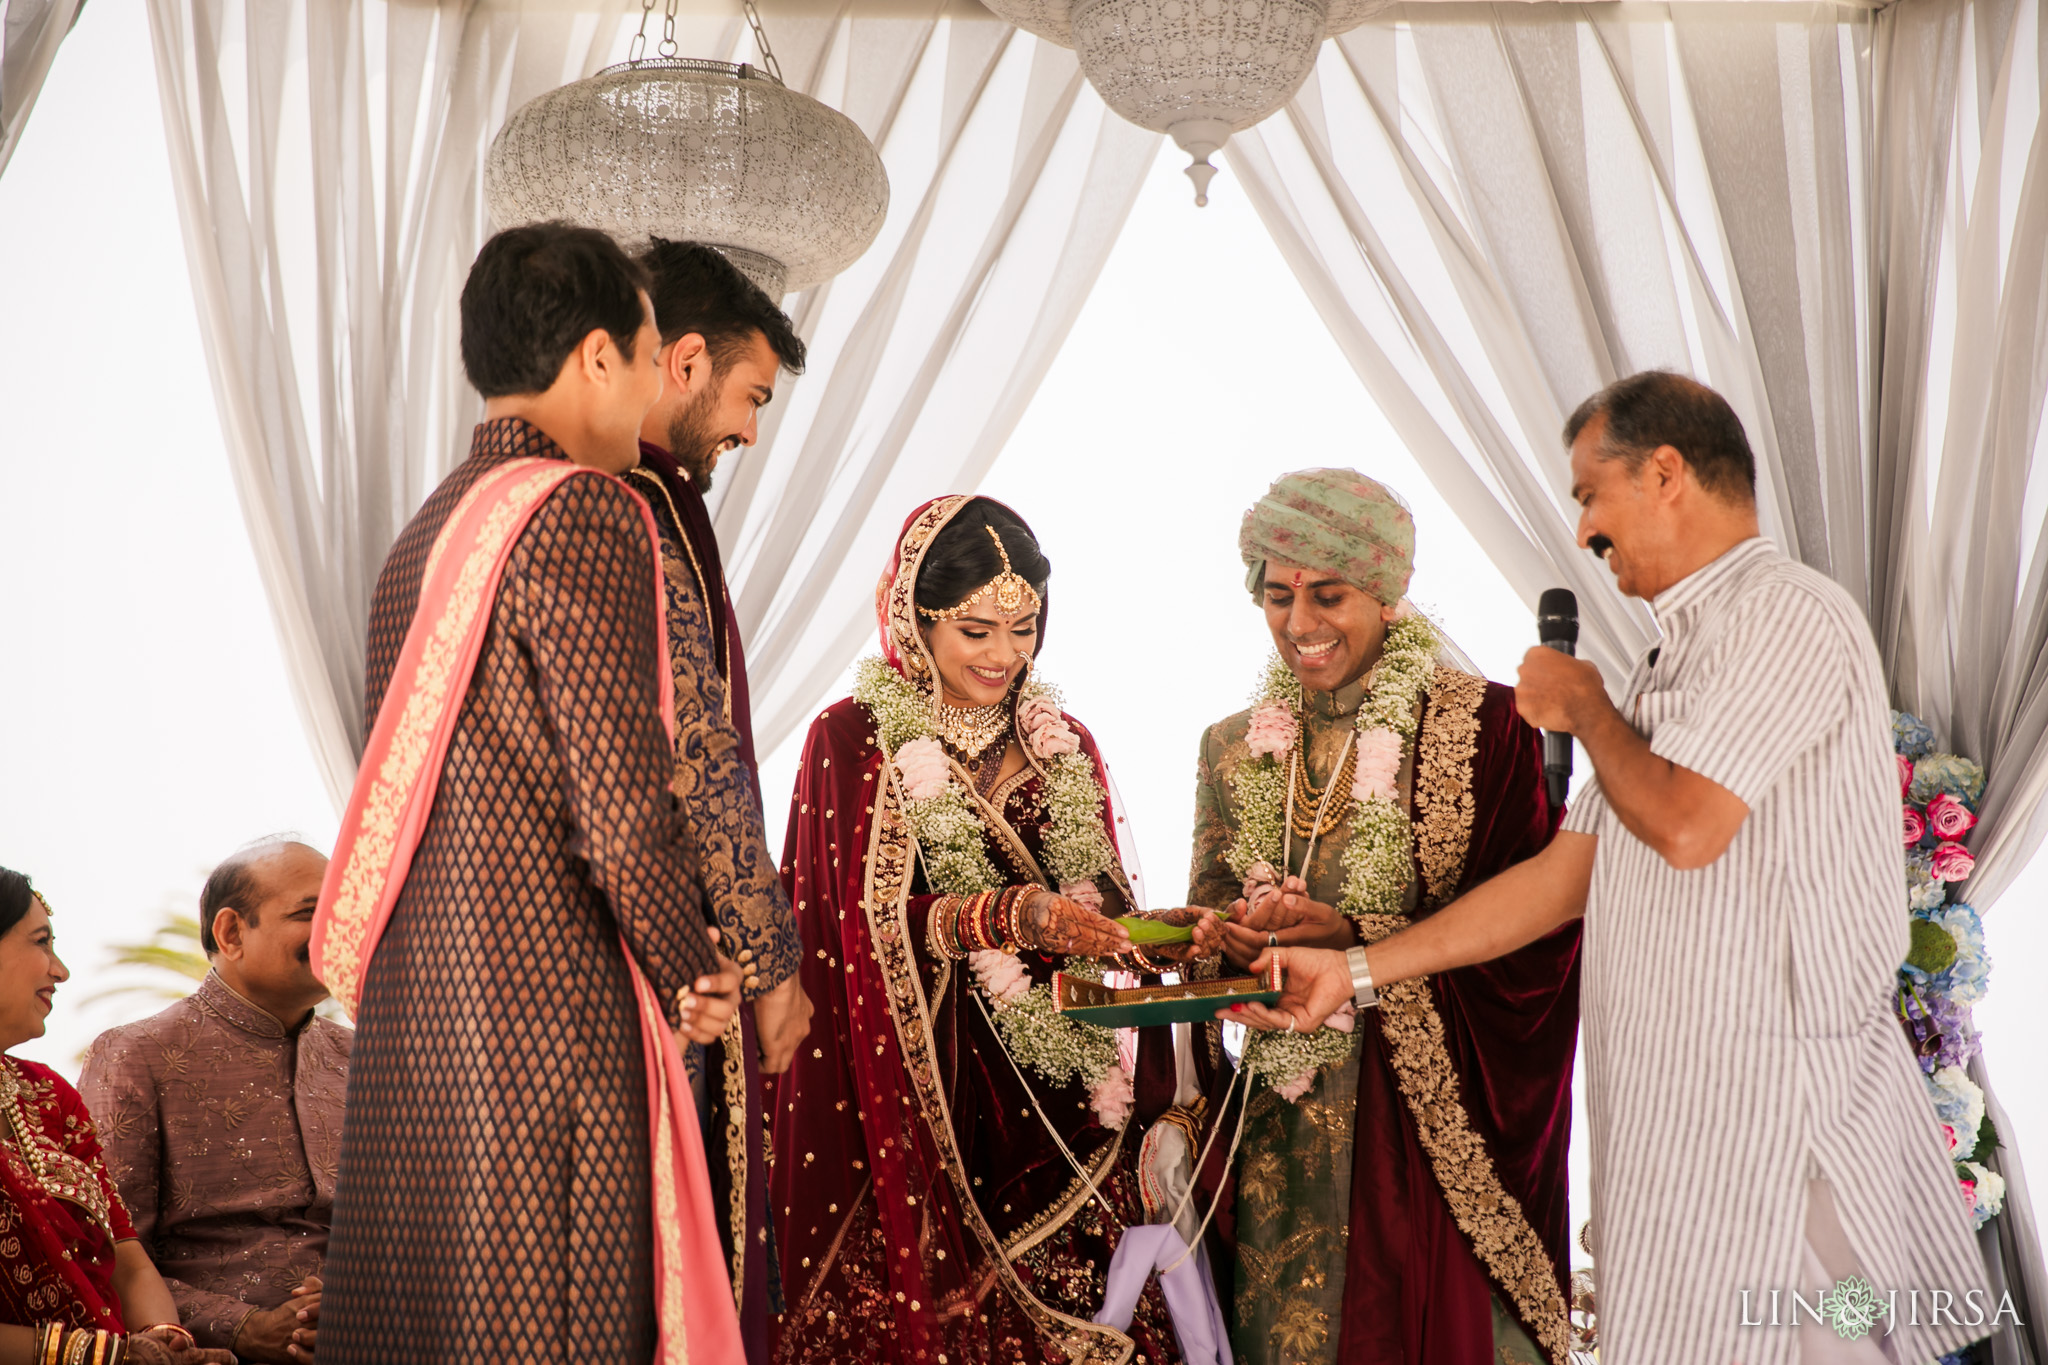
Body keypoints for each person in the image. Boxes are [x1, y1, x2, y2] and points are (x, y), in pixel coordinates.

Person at [1237, 374, 1988, 1365]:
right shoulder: (1671, 659)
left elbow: (1684, 829)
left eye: (1591, 493)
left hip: (1786, 1133)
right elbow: (1562, 877)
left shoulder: (1785, 616)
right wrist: (1357, 971)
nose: (1584, 526)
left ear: (1665, 473)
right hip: (1683, 1133)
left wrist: (1586, 713)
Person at [309, 223, 747, 1365]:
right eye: (653, 359)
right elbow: (620, 809)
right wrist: (693, 969)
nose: (657, 389)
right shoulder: (585, 508)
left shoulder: (425, 535)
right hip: (546, 1029)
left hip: (420, 1033)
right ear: (599, 358)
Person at [770, 495, 1197, 1365]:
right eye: (976, 630)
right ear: (914, 619)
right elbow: (845, 923)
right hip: (921, 1098)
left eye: (1025, 627)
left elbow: (1095, 905)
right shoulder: (851, 741)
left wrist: (1159, 932)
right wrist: (1005, 913)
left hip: (1064, 1101)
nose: (1006, 655)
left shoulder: (1060, 740)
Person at [1179, 468, 1578, 1365]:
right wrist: (1234, 938)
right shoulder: (1232, 744)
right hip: (1283, 1118)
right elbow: (1205, 924)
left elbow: (1543, 936)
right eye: (1276, 596)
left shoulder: (1485, 729)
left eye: (1329, 594)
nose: (1299, 623)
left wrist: (1356, 939)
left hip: (1428, 1125)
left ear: (1389, 592)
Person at [627, 238, 813, 1362]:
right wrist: (772, 966)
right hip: (660, 966)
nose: (748, 430)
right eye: (749, 396)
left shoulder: (623, 497)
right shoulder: (637, 508)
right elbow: (701, 757)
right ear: (685, 361)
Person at [81, 839, 348, 1364]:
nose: (336, 931)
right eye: (310, 914)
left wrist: (359, 1300)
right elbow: (109, 1250)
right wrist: (244, 1328)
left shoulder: (364, 1057)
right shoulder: (137, 1053)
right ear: (231, 933)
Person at [0, 868, 234, 1365]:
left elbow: (125, 1256)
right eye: (42, 942)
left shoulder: (47, 1095)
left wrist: (165, 1341)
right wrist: (103, 1357)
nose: (60, 970)